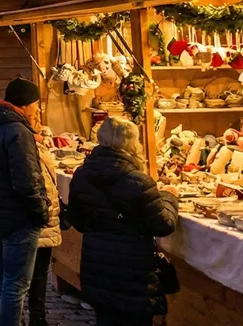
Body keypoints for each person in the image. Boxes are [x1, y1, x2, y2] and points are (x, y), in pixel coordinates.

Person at [66, 117, 179, 326]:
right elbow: (163, 225)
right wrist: (169, 197)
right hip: (133, 272)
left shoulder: (82, 175)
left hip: (97, 267)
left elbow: (77, 219)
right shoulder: (139, 181)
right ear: (132, 142)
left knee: (105, 319)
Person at [0, 78, 50, 326]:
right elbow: (27, 180)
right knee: (16, 284)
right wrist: (40, 211)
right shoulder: (18, 131)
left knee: (1, 274)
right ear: (26, 103)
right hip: (18, 216)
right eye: (36, 104)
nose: (37, 109)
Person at [25, 104, 61, 326]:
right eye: (35, 114)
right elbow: (34, 184)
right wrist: (43, 212)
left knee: (37, 272)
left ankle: (37, 315)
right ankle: (35, 317)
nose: (39, 118)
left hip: (43, 218)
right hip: (39, 219)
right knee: (31, 273)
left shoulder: (34, 144)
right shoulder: (27, 146)